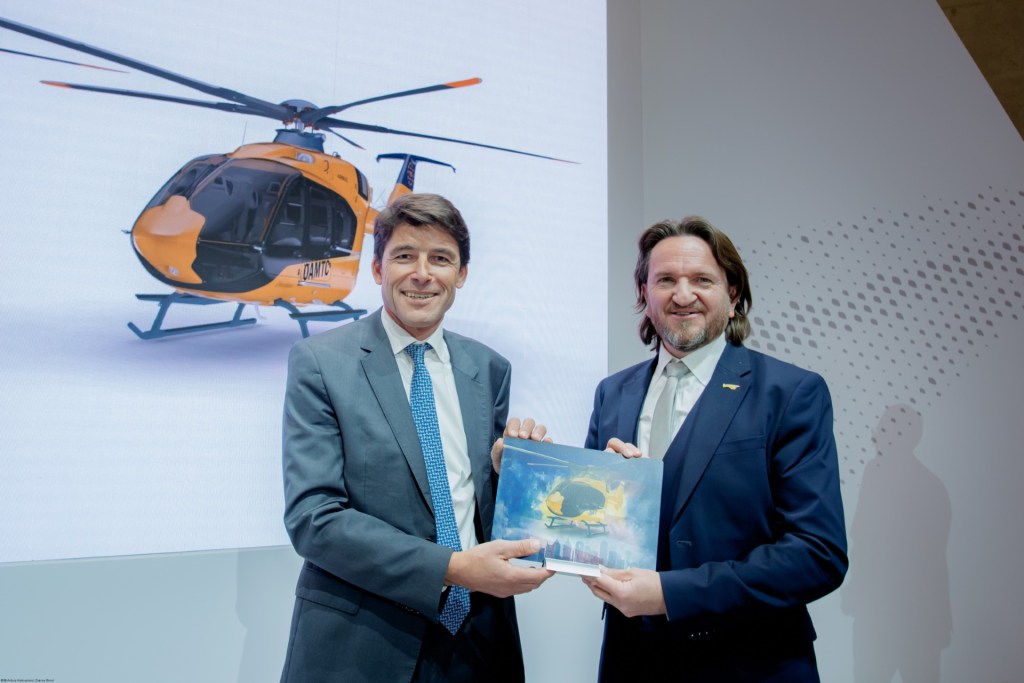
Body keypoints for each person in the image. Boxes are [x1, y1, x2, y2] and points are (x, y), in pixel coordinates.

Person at [279, 192, 554, 683]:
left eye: (441, 259)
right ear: (378, 269)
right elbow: (314, 519)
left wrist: (511, 473)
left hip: (478, 640)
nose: (422, 274)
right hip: (364, 643)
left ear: (461, 275)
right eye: (405, 255)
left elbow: (476, 507)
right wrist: (452, 567)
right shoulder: (320, 362)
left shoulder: (489, 368)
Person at [581, 216, 848, 682]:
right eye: (665, 280)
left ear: (734, 293)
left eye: (702, 280)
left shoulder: (790, 393)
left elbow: (817, 553)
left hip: (751, 665)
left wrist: (670, 594)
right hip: (631, 662)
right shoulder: (612, 393)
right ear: (644, 293)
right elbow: (590, 530)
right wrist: (525, 468)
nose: (683, 295)